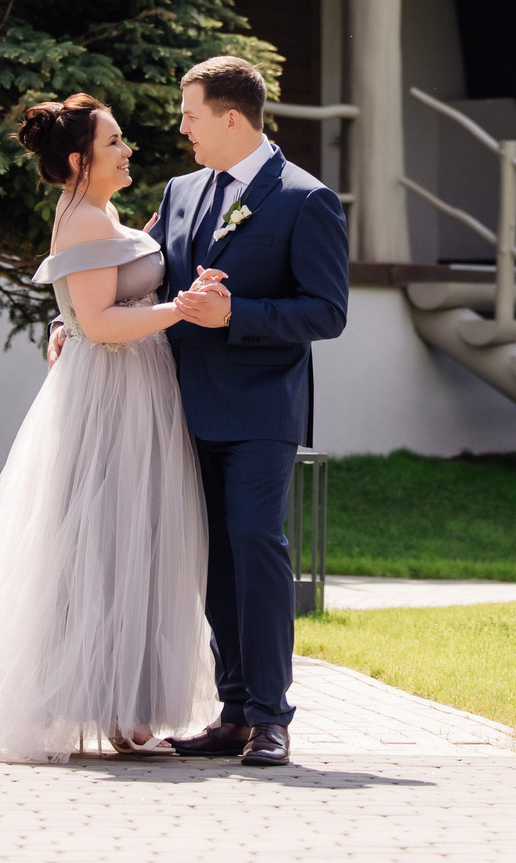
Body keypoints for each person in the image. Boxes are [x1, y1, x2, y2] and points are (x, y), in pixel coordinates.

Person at [0, 94, 218, 763]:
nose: (128, 149)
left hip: (135, 390)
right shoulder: (83, 220)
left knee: (127, 539)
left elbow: (101, 299)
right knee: (100, 538)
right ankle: (101, 701)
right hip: (111, 395)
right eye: (115, 142)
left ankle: (123, 704)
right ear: (82, 159)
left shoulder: (100, 213)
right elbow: (103, 324)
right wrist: (181, 307)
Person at [148, 55, 351, 769]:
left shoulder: (306, 199)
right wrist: (75, 319)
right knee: (212, 557)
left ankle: (271, 715)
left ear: (232, 118)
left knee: (257, 544)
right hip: (184, 408)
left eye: (192, 115)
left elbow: (327, 312)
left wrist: (237, 313)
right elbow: (142, 272)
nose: (183, 129)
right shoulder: (178, 192)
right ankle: (233, 709)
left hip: (264, 410)